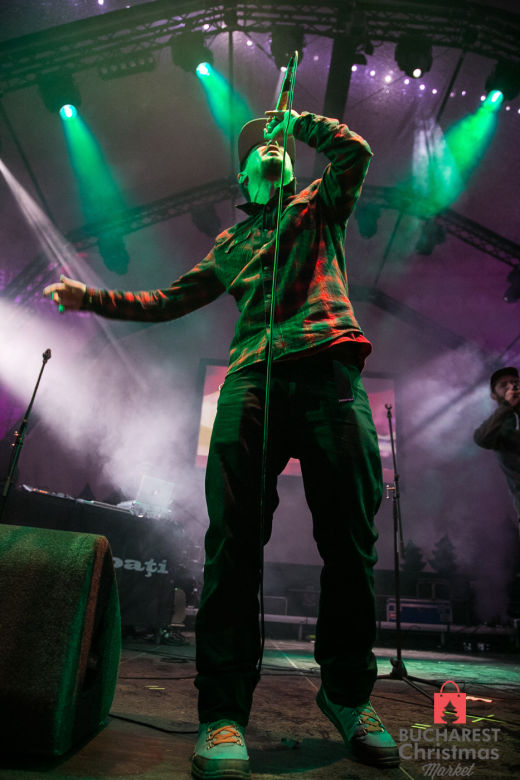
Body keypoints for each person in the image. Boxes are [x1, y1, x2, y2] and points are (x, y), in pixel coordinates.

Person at [44, 107, 399, 778]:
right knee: (233, 548)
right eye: (257, 146)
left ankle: (349, 695)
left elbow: (355, 152)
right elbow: (167, 301)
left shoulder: (319, 206)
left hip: (330, 373)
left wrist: (297, 120)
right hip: (250, 383)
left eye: (276, 142)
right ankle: (224, 711)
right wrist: (91, 298)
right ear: (244, 177)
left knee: (352, 546)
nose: (269, 145)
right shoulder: (231, 243)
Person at [474, 367, 520, 531]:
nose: (511, 387)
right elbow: (482, 438)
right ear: (493, 395)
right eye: (504, 385)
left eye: (515, 382)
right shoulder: (499, 426)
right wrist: (507, 405)